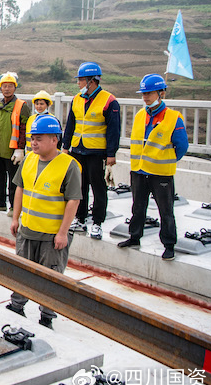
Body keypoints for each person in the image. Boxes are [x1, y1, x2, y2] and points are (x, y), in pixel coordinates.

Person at [7, 115, 81, 329]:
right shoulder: (29, 159)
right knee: (21, 271)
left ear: (54, 139)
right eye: (32, 139)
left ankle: (46, 317)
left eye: (39, 139)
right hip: (27, 231)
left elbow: (73, 201)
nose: (33, 143)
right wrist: (15, 218)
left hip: (51, 236)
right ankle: (17, 306)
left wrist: (62, 233)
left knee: (51, 277)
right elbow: (19, 188)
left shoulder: (69, 166)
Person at [118, 74, 188, 261]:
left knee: (166, 211)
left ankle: (169, 244)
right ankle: (134, 237)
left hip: (160, 173)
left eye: (149, 93)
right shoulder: (141, 115)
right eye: (143, 93)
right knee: (138, 207)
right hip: (139, 171)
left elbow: (181, 147)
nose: (145, 97)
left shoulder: (174, 118)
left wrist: (166, 160)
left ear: (161, 93)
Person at [62, 62, 121, 240]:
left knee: (98, 187)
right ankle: (80, 219)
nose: (78, 84)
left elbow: (114, 130)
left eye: (81, 80)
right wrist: (65, 147)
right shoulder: (77, 99)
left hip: (96, 152)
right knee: (79, 187)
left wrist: (111, 154)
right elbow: (70, 125)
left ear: (91, 81)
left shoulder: (109, 101)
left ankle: (97, 222)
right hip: (77, 150)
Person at [0, 73, 31, 216]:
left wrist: (20, 148)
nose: (7, 89)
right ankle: (0, 203)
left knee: (13, 180)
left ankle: (14, 206)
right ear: (0, 88)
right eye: (4, 86)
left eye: (10, 86)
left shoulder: (21, 105)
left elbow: (24, 128)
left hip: (12, 150)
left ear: (14, 88)